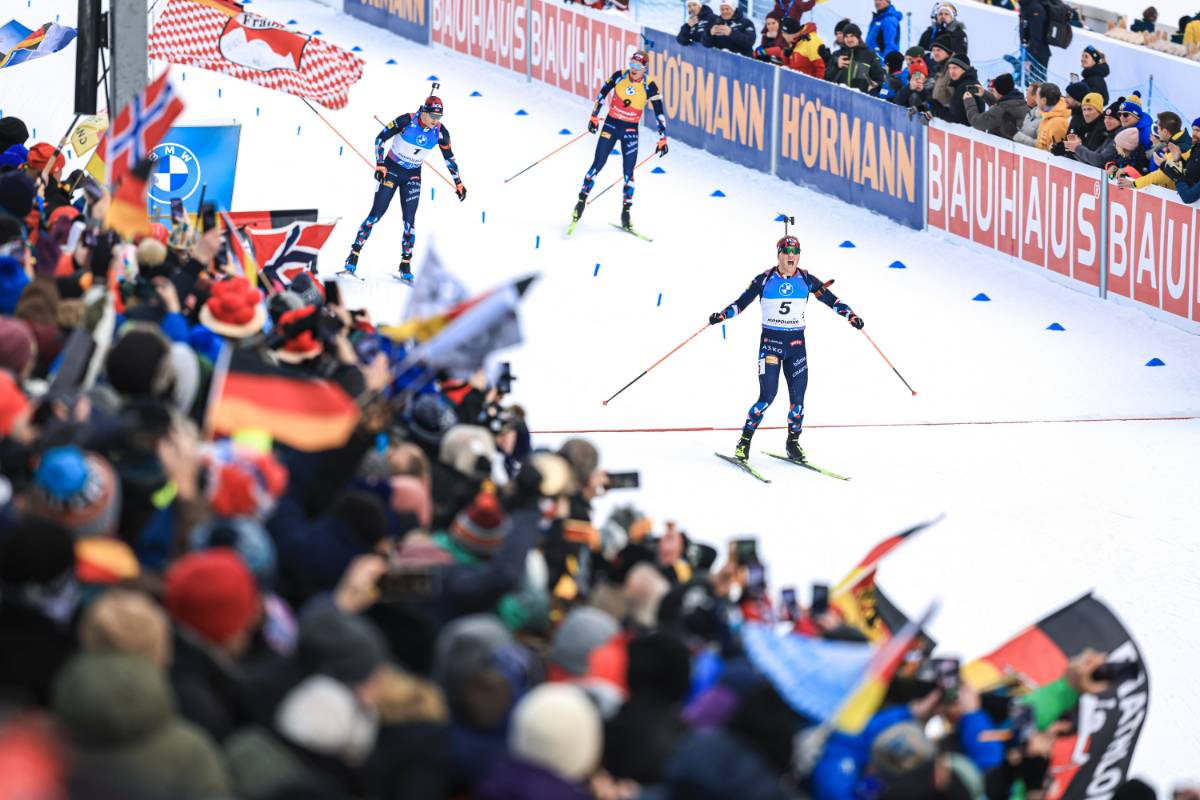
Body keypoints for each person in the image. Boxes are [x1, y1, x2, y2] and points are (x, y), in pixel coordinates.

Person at [707, 234, 863, 464]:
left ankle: (793, 442)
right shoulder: (764, 279)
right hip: (771, 345)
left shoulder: (807, 279)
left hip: (797, 347)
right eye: (786, 253)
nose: (791, 257)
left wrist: (851, 315)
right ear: (778, 254)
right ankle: (744, 442)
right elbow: (740, 303)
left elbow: (832, 300)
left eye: (795, 252)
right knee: (767, 397)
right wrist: (722, 315)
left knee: (797, 402)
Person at [342, 94, 466, 283]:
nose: (435, 121)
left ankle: (405, 264)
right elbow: (379, 139)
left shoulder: (441, 133)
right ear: (424, 111)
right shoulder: (406, 120)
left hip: (413, 175)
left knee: (409, 221)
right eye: (432, 116)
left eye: (438, 118)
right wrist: (380, 164)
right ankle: (354, 254)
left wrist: (458, 182)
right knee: (376, 215)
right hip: (391, 170)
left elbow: (449, 158)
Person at [569, 50, 667, 234]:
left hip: (630, 130)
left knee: (629, 172)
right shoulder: (619, 76)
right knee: (597, 164)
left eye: (638, 66)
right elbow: (601, 94)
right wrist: (594, 117)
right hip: (611, 126)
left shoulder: (650, 85)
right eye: (632, 64)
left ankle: (626, 213)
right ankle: (580, 202)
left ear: (644, 68)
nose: (633, 69)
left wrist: (663, 138)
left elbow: (659, 112)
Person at [962, 73, 1026, 139]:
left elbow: (976, 122)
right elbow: (1002, 104)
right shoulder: (1020, 102)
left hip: (1000, 146)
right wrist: (984, 94)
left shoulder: (1001, 110)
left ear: (1000, 91)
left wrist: (969, 102)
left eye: (993, 91)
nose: (992, 93)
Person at [824, 24, 885, 93]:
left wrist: (873, 88)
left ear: (858, 37)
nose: (849, 39)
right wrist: (836, 66)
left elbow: (879, 80)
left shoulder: (870, 55)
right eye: (846, 36)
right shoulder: (837, 55)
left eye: (852, 36)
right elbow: (826, 78)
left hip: (860, 100)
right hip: (837, 97)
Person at [760, 18, 828, 79]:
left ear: (790, 34)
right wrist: (785, 57)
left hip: (806, 87)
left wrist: (815, 87)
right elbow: (792, 67)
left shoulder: (810, 42)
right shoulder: (794, 41)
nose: (783, 36)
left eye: (784, 34)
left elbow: (820, 68)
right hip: (795, 84)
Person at [1067, 96, 1124, 167]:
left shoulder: (1119, 137)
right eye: (1106, 118)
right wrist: (1074, 148)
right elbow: (1090, 161)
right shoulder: (1111, 135)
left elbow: (1100, 160)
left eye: (1110, 118)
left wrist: (1077, 148)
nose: (1106, 121)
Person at [1020, 0, 1051, 83]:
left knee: (1038, 88)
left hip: (1038, 55)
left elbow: (1036, 36)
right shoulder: (1025, 5)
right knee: (1028, 87)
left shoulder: (1036, 8)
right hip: (1029, 53)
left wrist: (1029, 58)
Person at [1035, 83, 1071, 151]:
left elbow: (1058, 155)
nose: (1035, 100)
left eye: (1037, 96)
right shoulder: (1048, 116)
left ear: (1044, 100)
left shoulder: (1058, 122)